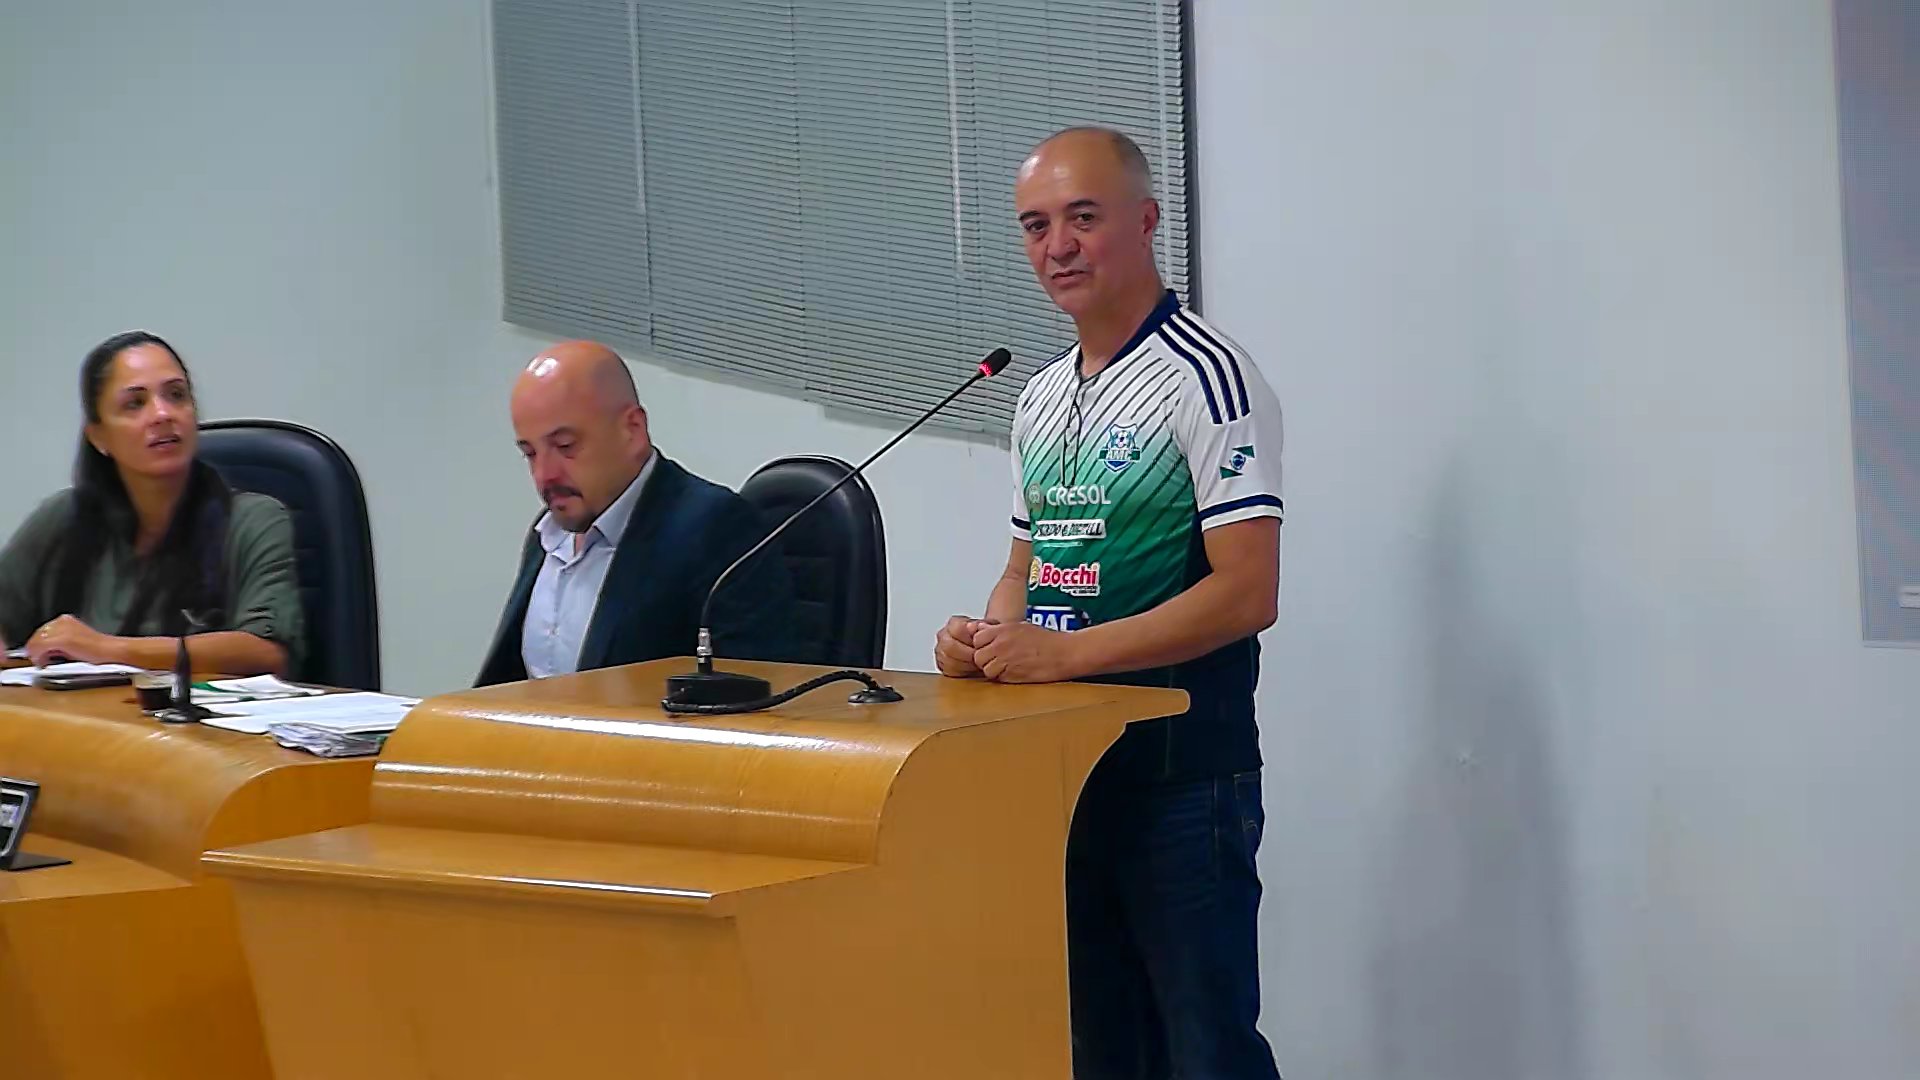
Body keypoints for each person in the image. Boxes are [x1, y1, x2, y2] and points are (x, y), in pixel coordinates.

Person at [934, 128, 1286, 1079]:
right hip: (1064, 771)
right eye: (1035, 226)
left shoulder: (1207, 376)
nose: (1058, 246)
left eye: (1082, 218)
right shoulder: (1040, 396)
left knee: (1206, 1050)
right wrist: (988, 636)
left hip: (1182, 773)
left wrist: (1066, 657)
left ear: (1144, 221)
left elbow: (1248, 591)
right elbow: (1025, 566)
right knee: (1100, 1048)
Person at [476, 340, 798, 685]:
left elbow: (749, 696)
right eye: (530, 453)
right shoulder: (546, 535)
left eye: (565, 446)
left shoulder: (716, 530)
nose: (544, 475)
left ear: (632, 430)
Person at [0, 331, 305, 676]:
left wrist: (108, 650)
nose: (162, 414)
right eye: (135, 403)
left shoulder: (253, 520)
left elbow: (268, 654)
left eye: (176, 395)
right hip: (81, 711)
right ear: (98, 437)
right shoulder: (64, 518)